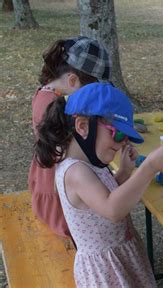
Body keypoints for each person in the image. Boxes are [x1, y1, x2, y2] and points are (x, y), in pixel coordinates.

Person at [34, 82, 163, 287]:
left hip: (120, 253)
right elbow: (111, 209)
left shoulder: (89, 162)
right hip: (105, 270)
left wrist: (125, 173)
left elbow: (98, 202)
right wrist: (150, 167)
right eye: (117, 134)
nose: (120, 144)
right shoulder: (75, 171)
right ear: (83, 126)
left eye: (124, 137)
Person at [28, 36, 111, 237]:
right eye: (91, 90)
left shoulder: (55, 94)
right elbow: (79, 144)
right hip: (57, 192)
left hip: (61, 183)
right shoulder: (50, 105)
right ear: (73, 80)